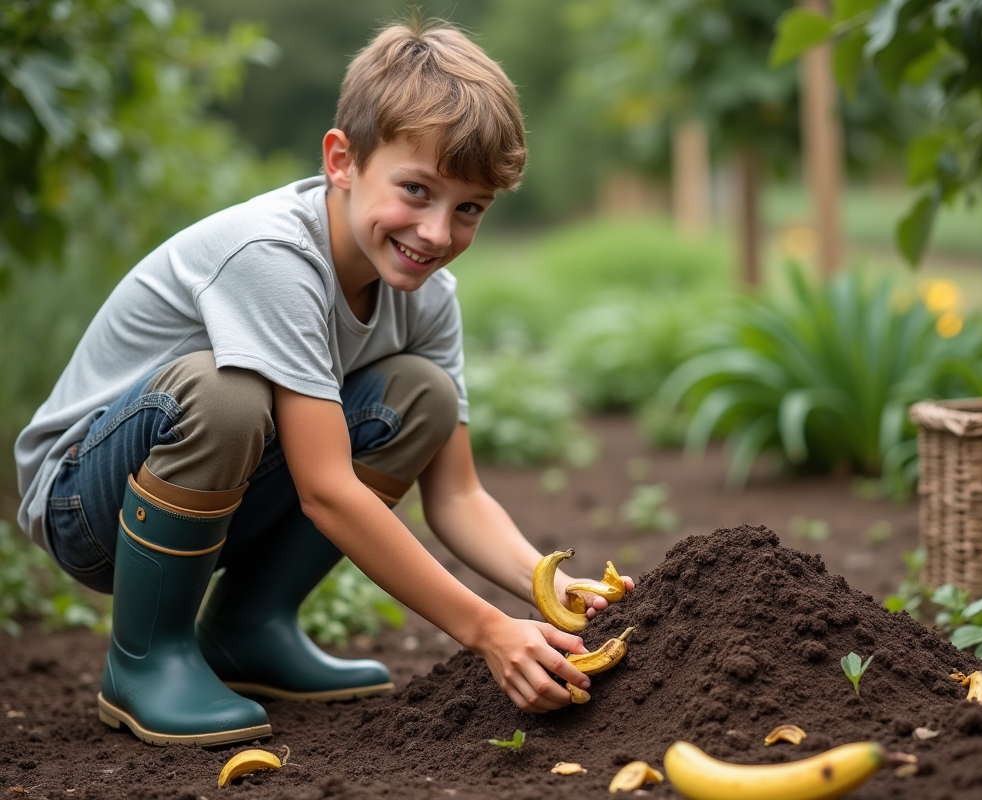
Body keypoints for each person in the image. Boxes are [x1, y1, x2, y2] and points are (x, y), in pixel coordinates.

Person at [13, 18, 630, 747]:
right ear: (342, 160)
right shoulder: (272, 256)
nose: (437, 232)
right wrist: (488, 630)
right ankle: (147, 659)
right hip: (89, 505)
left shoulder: (428, 298)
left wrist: (540, 582)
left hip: (213, 500)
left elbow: (458, 495)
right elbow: (326, 489)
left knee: (418, 395)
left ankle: (247, 627)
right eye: (416, 190)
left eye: (468, 209)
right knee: (225, 392)